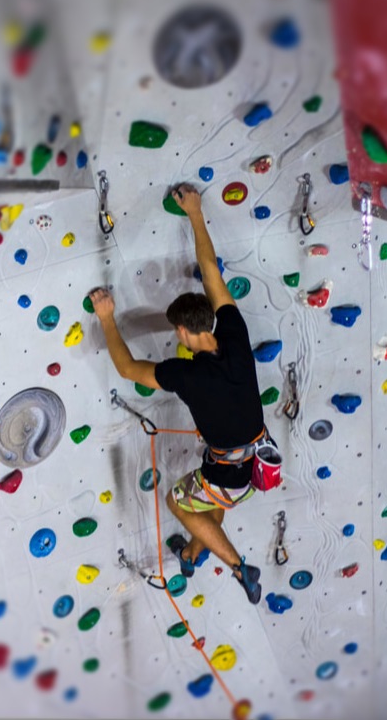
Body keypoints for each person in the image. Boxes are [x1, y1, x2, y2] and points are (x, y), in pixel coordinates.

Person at [89, 184, 265, 604]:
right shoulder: (236, 333)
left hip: (229, 475)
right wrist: (195, 211)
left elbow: (128, 368)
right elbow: (210, 270)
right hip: (254, 465)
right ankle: (189, 554)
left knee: (178, 502)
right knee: (207, 497)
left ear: (184, 332)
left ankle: (239, 566)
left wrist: (107, 318)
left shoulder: (186, 374)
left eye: (175, 331)